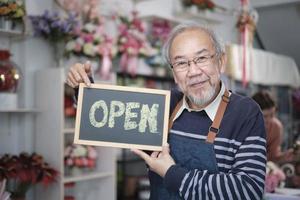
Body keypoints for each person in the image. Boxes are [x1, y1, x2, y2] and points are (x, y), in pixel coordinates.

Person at [66, 22, 266, 200]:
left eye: (202, 58)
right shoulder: (163, 104)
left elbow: (248, 190)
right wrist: (83, 89)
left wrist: (171, 173)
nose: (194, 71)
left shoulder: (245, 112)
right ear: (174, 73)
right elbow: (108, 121)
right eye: (181, 63)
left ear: (220, 62)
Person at [252, 91, 294, 163]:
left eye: (272, 115)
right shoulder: (242, 126)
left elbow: (274, 157)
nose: (269, 120)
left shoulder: (276, 127)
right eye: (264, 116)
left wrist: (285, 156)